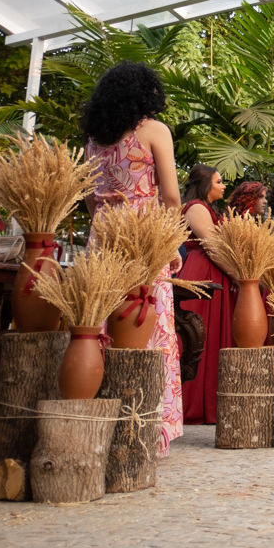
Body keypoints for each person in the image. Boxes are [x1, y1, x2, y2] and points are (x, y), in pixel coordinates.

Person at [81, 61, 184, 455]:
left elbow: (90, 200)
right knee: (148, 324)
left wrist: (106, 224)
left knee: (102, 322)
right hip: (144, 237)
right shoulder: (154, 131)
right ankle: (146, 429)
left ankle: (102, 423)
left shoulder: (95, 139)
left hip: (104, 235)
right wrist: (168, 243)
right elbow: (171, 196)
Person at [177, 163, 235, 425]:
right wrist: (236, 273)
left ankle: (209, 400)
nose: (223, 186)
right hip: (203, 271)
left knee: (212, 336)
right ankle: (193, 402)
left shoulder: (208, 208)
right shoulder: (197, 208)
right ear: (204, 185)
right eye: (219, 181)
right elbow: (211, 245)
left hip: (214, 270)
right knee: (199, 336)